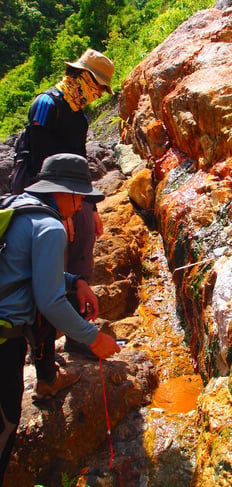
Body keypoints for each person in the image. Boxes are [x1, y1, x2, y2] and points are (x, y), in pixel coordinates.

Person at [0, 153, 121, 485]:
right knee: (6, 423)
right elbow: (50, 302)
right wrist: (94, 339)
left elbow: (26, 268)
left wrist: (76, 282)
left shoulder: (18, 206)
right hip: (4, 342)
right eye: (80, 195)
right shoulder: (51, 226)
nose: (81, 204)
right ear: (63, 192)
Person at [16, 48, 115, 377]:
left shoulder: (79, 114)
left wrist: (91, 207)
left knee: (82, 253)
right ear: (84, 78)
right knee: (48, 265)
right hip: (40, 193)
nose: (98, 94)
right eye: (98, 87)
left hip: (73, 194)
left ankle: (77, 335)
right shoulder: (47, 105)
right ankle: (42, 356)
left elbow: (79, 161)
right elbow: (37, 161)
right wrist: (62, 215)